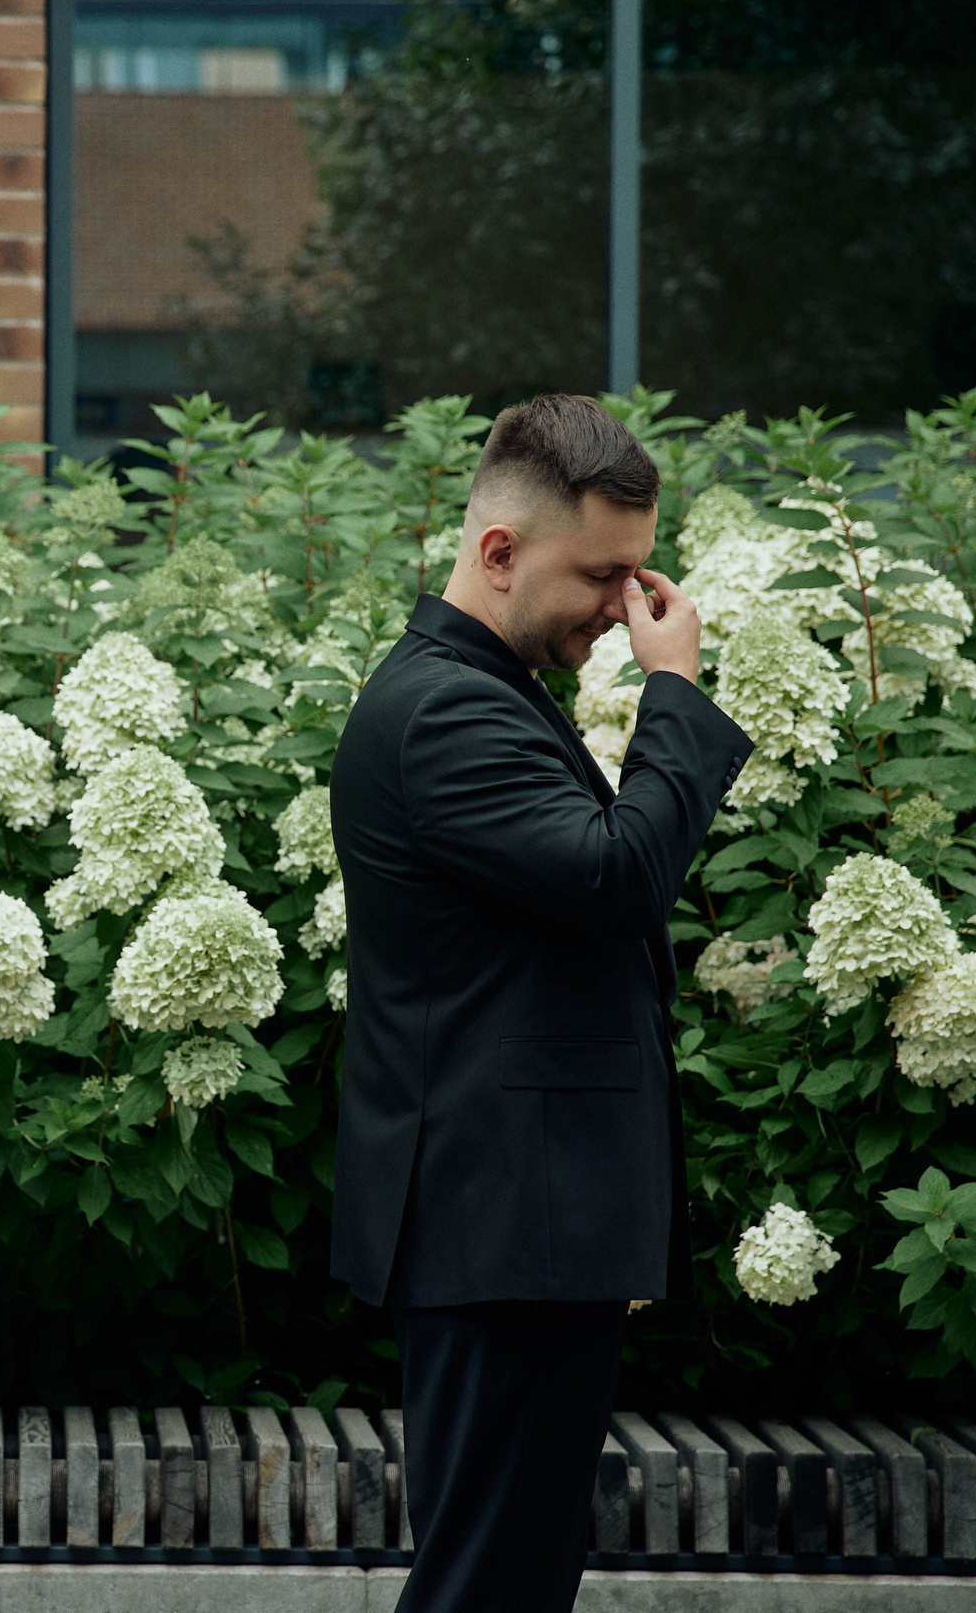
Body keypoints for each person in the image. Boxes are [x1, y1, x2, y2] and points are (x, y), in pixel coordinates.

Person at [328, 394, 753, 1613]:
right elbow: (619, 877)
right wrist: (673, 692)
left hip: (517, 1221)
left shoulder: (486, 691)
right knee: (489, 1581)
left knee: (512, 1572)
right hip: (499, 1221)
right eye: (602, 576)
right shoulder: (447, 710)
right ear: (499, 552)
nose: (625, 610)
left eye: (638, 576)